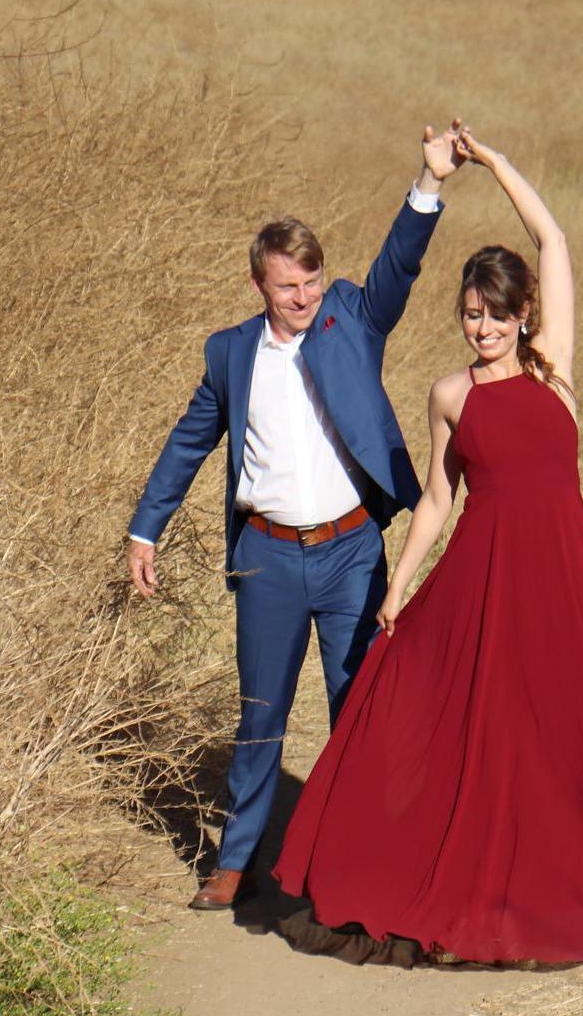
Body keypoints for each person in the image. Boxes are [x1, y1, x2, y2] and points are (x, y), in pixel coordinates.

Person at [270, 123, 583, 965]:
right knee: (474, 732)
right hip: (484, 581)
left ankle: (575, 874)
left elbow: (553, 238)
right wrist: (398, 590)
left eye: (496, 315)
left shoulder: (553, 368)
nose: (482, 328)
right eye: (470, 315)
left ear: (522, 313)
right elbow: (434, 499)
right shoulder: (449, 394)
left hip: (566, 578)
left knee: (572, 731)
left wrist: (491, 164)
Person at [127, 126, 463, 910]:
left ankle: (359, 864)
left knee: (359, 710)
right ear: (260, 287)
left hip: (352, 553)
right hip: (269, 559)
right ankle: (235, 864)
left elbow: (398, 268)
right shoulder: (230, 355)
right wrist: (147, 527)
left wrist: (429, 182)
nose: (304, 295)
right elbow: (187, 445)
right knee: (261, 717)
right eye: (288, 286)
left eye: (311, 279)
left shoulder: (353, 317)